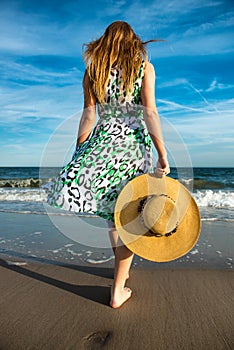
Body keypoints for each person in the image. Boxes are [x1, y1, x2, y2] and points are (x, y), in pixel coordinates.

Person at [46, 21, 170, 308]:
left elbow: (89, 114)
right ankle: (117, 289)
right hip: (133, 149)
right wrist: (162, 151)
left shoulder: (94, 72)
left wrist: (80, 149)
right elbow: (150, 112)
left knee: (114, 216)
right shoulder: (143, 68)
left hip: (101, 146)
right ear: (132, 41)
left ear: (104, 41)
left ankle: (121, 274)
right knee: (128, 217)